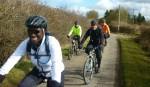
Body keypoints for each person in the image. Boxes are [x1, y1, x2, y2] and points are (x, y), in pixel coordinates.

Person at [0, 15, 65, 87]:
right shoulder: (27, 43)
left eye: (36, 31)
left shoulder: (52, 42)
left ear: (44, 31)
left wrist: (55, 82)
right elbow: (13, 58)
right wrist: (1, 74)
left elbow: (56, 63)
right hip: (39, 71)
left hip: (54, 71)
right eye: (30, 31)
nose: (32, 35)